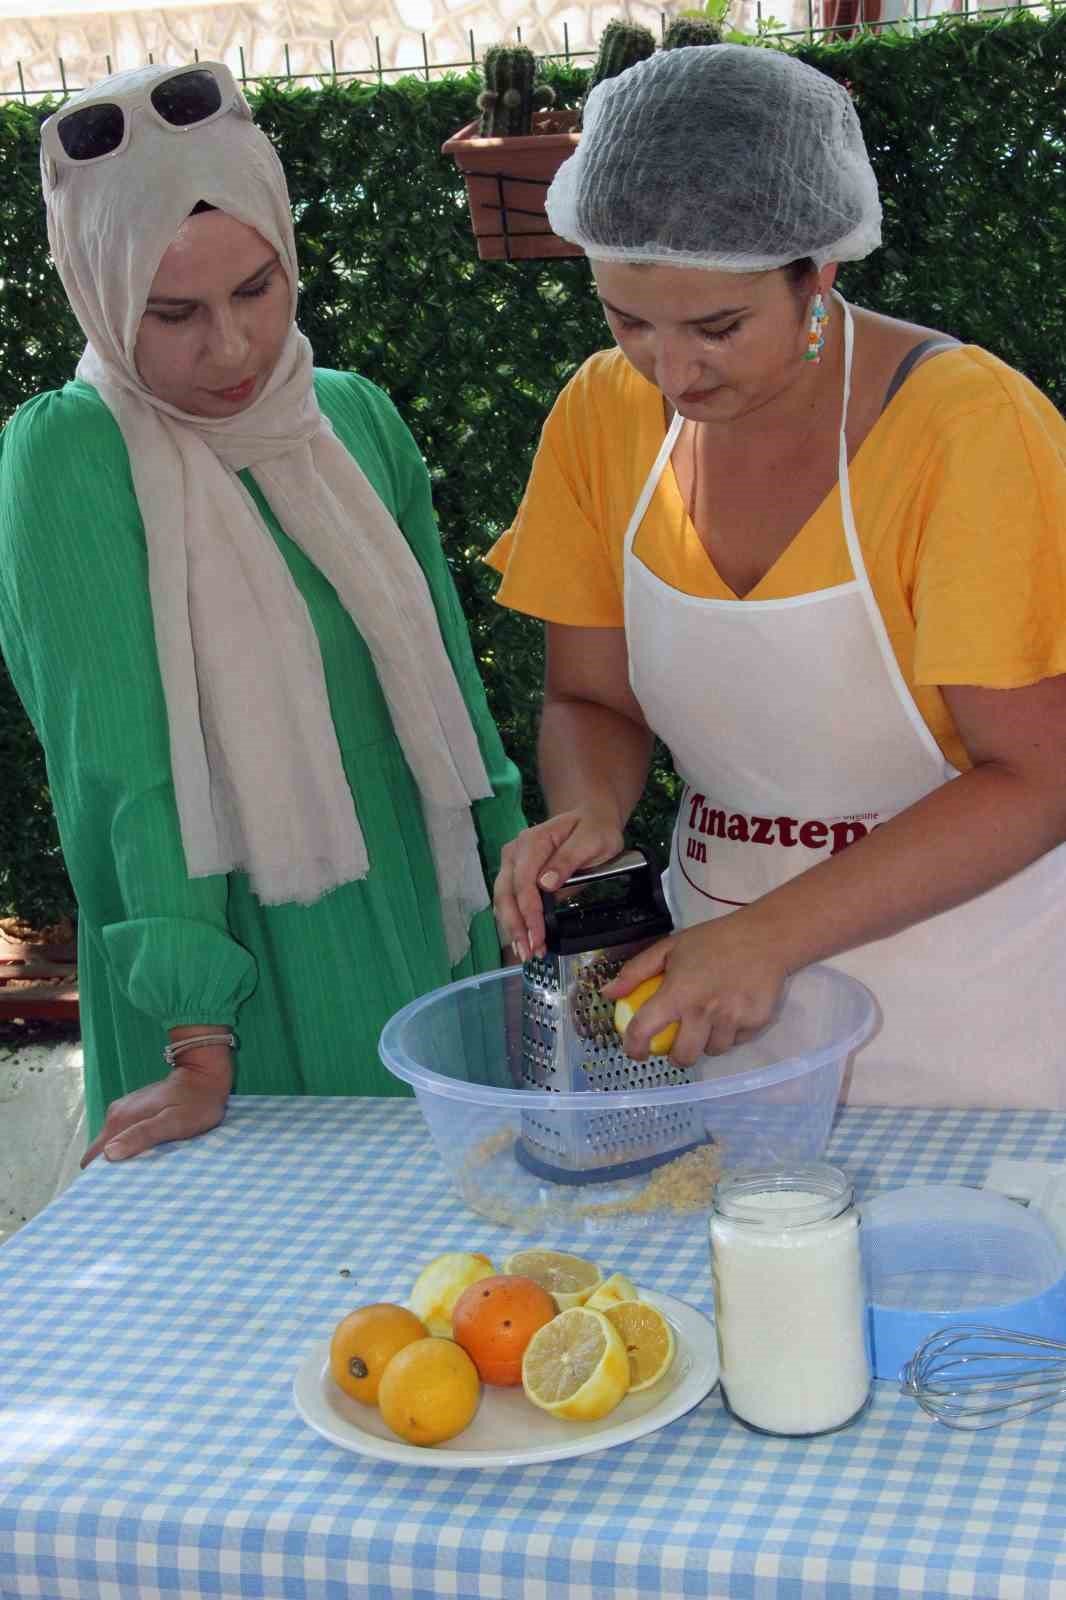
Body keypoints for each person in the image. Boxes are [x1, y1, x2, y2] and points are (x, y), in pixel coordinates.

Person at [489, 44, 1066, 1109]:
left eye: (718, 327)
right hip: (719, 986)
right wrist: (588, 812)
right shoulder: (598, 413)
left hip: (975, 1001)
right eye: (627, 321)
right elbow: (588, 696)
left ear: (822, 267)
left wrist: (774, 937)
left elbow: (1037, 775)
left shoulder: (963, 429)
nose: (672, 372)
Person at [0, 61, 524, 1163]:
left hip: (425, 926)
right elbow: (119, 763)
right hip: (226, 971)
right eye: (172, 312)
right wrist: (196, 1028)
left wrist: (512, 877)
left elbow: (451, 684)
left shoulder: (350, 419)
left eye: (257, 287)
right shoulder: (68, 453)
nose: (231, 348)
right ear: (94, 289)